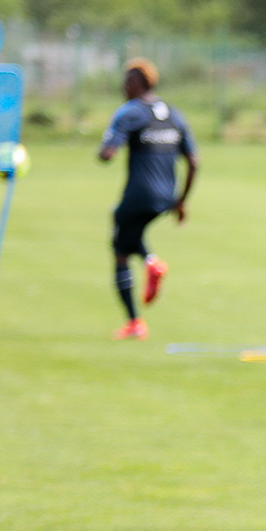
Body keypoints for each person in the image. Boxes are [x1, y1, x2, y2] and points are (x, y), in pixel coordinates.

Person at [97, 58, 197, 340]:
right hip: (166, 197)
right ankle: (150, 261)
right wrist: (181, 201)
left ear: (134, 83)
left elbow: (107, 154)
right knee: (130, 230)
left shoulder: (130, 113)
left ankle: (134, 323)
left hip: (139, 194)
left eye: (125, 81)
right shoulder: (174, 115)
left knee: (119, 251)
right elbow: (194, 161)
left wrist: (106, 150)